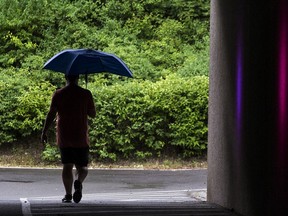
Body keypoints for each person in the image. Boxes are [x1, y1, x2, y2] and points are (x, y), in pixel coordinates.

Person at [41, 74, 96, 203]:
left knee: (67, 166)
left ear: (66, 77)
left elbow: (51, 113)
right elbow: (93, 114)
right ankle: (79, 181)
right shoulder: (86, 93)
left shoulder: (58, 94)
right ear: (78, 77)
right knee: (82, 167)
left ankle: (68, 195)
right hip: (80, 135)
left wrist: (44, 131)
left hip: (64, 135)